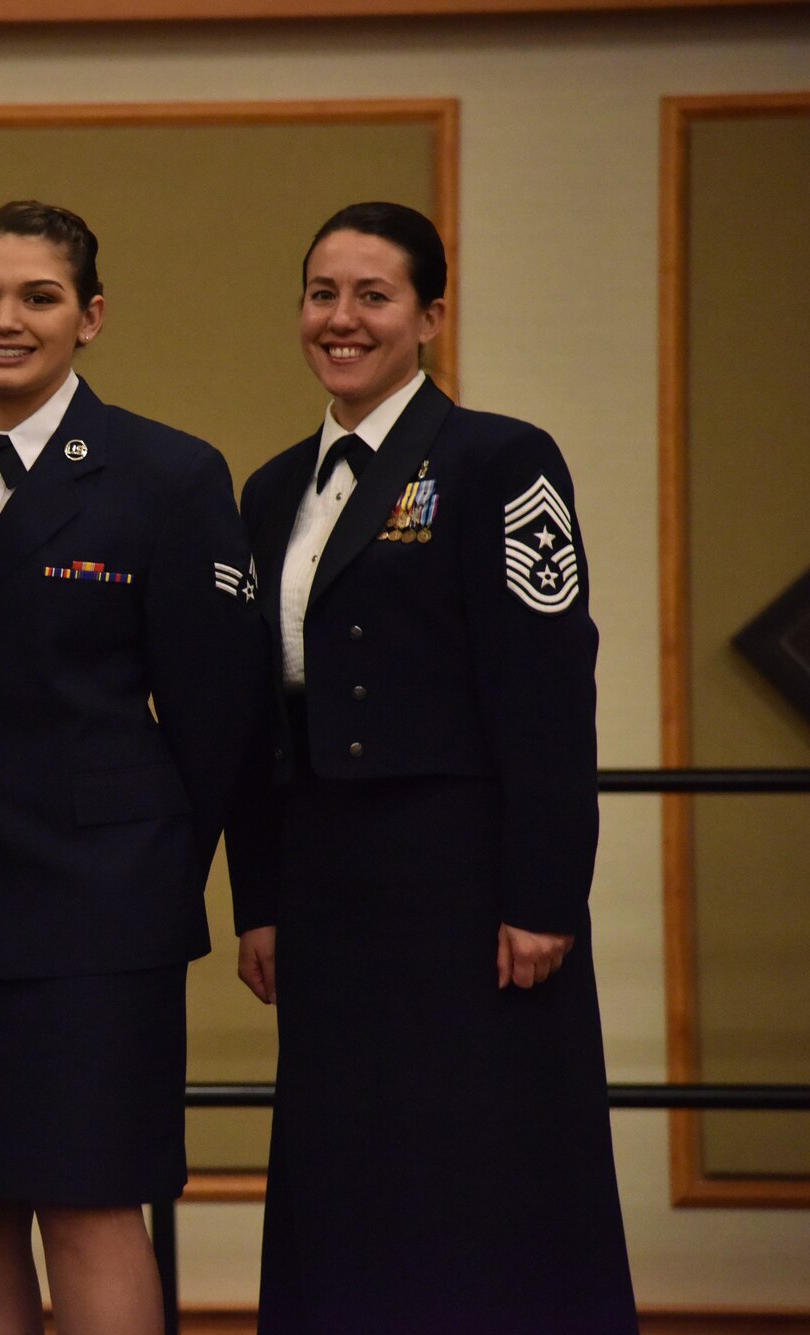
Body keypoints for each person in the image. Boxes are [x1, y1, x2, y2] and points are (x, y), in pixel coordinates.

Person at [227, 201, 637, 1332]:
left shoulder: (498, 459)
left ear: (429, 316)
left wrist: (543, 895)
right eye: (322, 294)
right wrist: (256, 901)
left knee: (482, 1173)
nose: (340, 319)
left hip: (465, 890)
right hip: (325, 891)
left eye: (371, 296)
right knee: (344, 1170)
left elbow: (548, 695)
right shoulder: (271, 492)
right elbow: (258, 723)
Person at [0, 201, 267, 1335]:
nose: (6, 320)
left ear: (88, 318)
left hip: (89, 921)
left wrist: (139, 875)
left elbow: (213, 720)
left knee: (90, 1207)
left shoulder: (166, 475)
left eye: (37, 297)